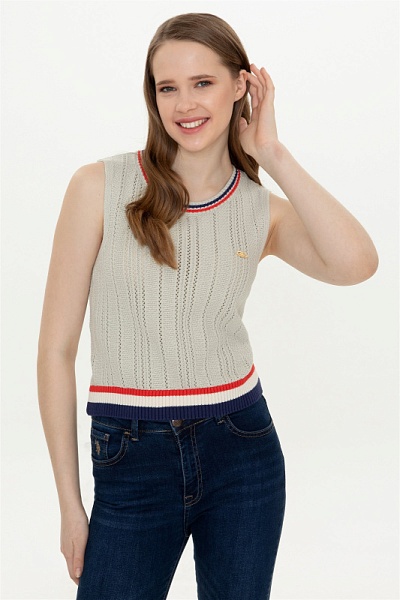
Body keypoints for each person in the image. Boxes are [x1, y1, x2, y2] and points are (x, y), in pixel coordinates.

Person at [37, 12, 378, 600]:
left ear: (240, 85)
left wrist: (272, 152)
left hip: (241, 449)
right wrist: (70, 505)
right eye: (167, 87)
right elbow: (54, 350)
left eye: (203, 83)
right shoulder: (99, 187)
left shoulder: (260, 209)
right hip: (130, 455)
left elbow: (357, 264)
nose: (185, 104)